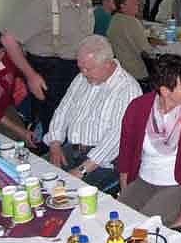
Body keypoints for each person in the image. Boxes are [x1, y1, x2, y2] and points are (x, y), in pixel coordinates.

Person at [1, 0, 96, 134]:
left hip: (76, 69)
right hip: (49, 72)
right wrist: (31, 76)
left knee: (74, 124)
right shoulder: (45, 1)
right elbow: (8, 40)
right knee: (51, 129)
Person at [117, 55, 181, 227]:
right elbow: (126, 157)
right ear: (165, 91)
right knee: (118, 219)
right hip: (144, 180)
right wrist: (125, 196)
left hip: (180, 184)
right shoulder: (138, 107)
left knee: (142, 228)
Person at [44, 35, 142, 188]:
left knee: (65, 192)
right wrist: (55, 143)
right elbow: (63, 110)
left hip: (104, 162)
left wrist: (82, 170)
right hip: (73, 149)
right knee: (38, 176)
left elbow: (116, 138)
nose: (83, 73)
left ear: (107, 64)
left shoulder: (128, 89)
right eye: (80, 68)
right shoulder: (82, 78)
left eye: (88, 69)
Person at [106, 0, 153, 81]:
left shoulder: (114, 19)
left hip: (121, 70)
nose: (138, 4)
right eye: (133, 2)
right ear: (122, 6)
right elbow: (147, 51)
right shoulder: (132, 22)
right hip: (138, 73)